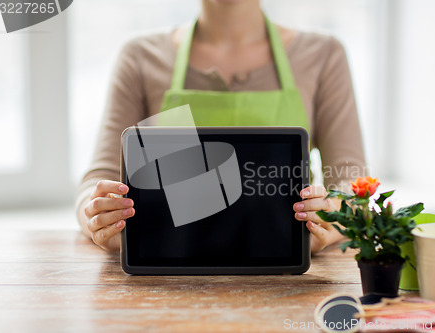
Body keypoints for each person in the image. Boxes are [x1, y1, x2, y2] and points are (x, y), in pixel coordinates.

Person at [76, 0, 366, 253]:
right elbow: (99, 180)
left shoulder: (324, 54)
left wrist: (334, 220)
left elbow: (353, 182)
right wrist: (98, 218)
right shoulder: (140, 56)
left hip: (287, 266)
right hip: (170, 267)